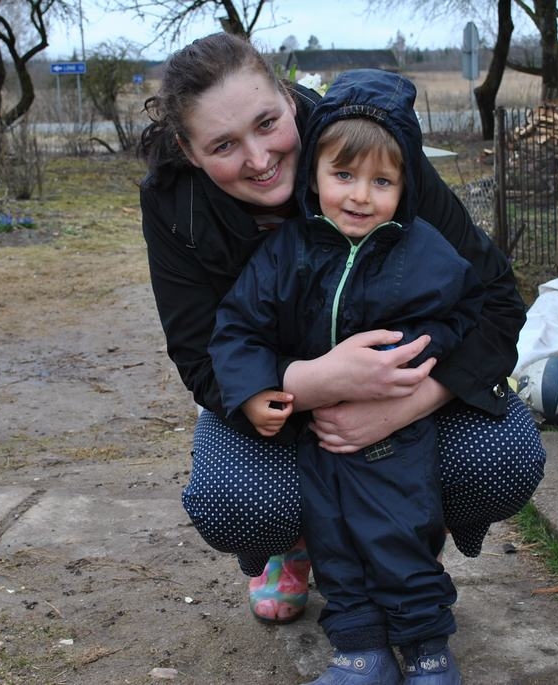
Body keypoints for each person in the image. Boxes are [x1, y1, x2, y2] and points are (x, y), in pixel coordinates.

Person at [139, 27, 545, 669]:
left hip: (403, 391)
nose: (258, 158)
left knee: (505, 457)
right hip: (272, 397)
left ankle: (403, 537)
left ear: (290, 101)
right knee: (235, 501)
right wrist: (314, 382)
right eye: (223, 145)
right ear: (190, 152)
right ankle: (295, 544)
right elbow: (200, 357)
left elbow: (494, 302)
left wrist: (413, 401)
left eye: (267, 123)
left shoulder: (375, 149)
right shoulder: (174, 205)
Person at [209, 68, 482, 684]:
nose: (360, 195)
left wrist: (419, 354)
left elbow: (470, 311)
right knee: (332, 539)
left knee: (401, 535)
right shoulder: (287, 253)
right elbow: (237, 325)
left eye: (381, 181)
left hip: (400, 434)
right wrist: (256, 389)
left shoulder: (425, 251)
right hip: (318, 437)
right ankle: (360, 653)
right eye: (343, 175)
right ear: (315, 175)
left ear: (405, 186)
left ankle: (429, 652)